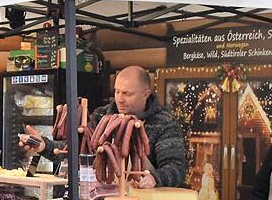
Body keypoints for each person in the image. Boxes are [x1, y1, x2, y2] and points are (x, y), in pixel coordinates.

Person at [19, 65, 187, 188]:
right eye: (117, 91)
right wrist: (43, 146)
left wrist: (154, 178)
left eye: (127, 94)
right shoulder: (101, 116)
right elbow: (79, 151)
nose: (119, 99)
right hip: (101, 199)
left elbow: (176, 168)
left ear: (146, 94)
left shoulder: (165, 124)